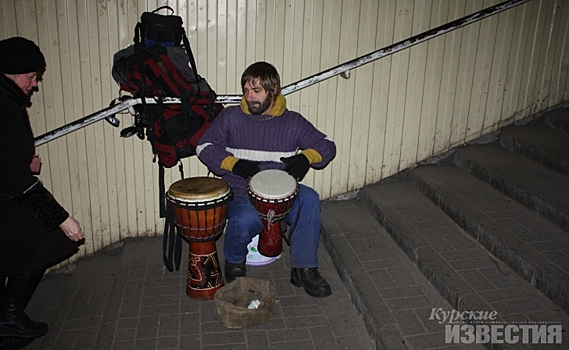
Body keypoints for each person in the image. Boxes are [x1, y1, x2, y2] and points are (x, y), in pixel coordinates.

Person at [197, 61, 336, 298]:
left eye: (257, 91)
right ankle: (234, 269)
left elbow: (328, 145)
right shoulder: (231, 117)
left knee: (309, 199)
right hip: (241, 191)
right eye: (246, 90)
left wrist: (307, 157)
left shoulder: (292, 121)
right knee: (245, 216)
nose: (250, 97)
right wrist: (232, 163)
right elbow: (204, 146)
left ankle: (304, 269)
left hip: (282, 193)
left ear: (274, 90)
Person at [0, 37, 84, 347]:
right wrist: (61, 218)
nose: (35, 84)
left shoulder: (6, 99)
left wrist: (24, 161)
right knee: (45, 240)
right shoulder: (4, 106)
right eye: (32, 76)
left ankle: (4, 322)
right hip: (7, 197)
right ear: (13, 71)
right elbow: (12, 176)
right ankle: (8, 316)